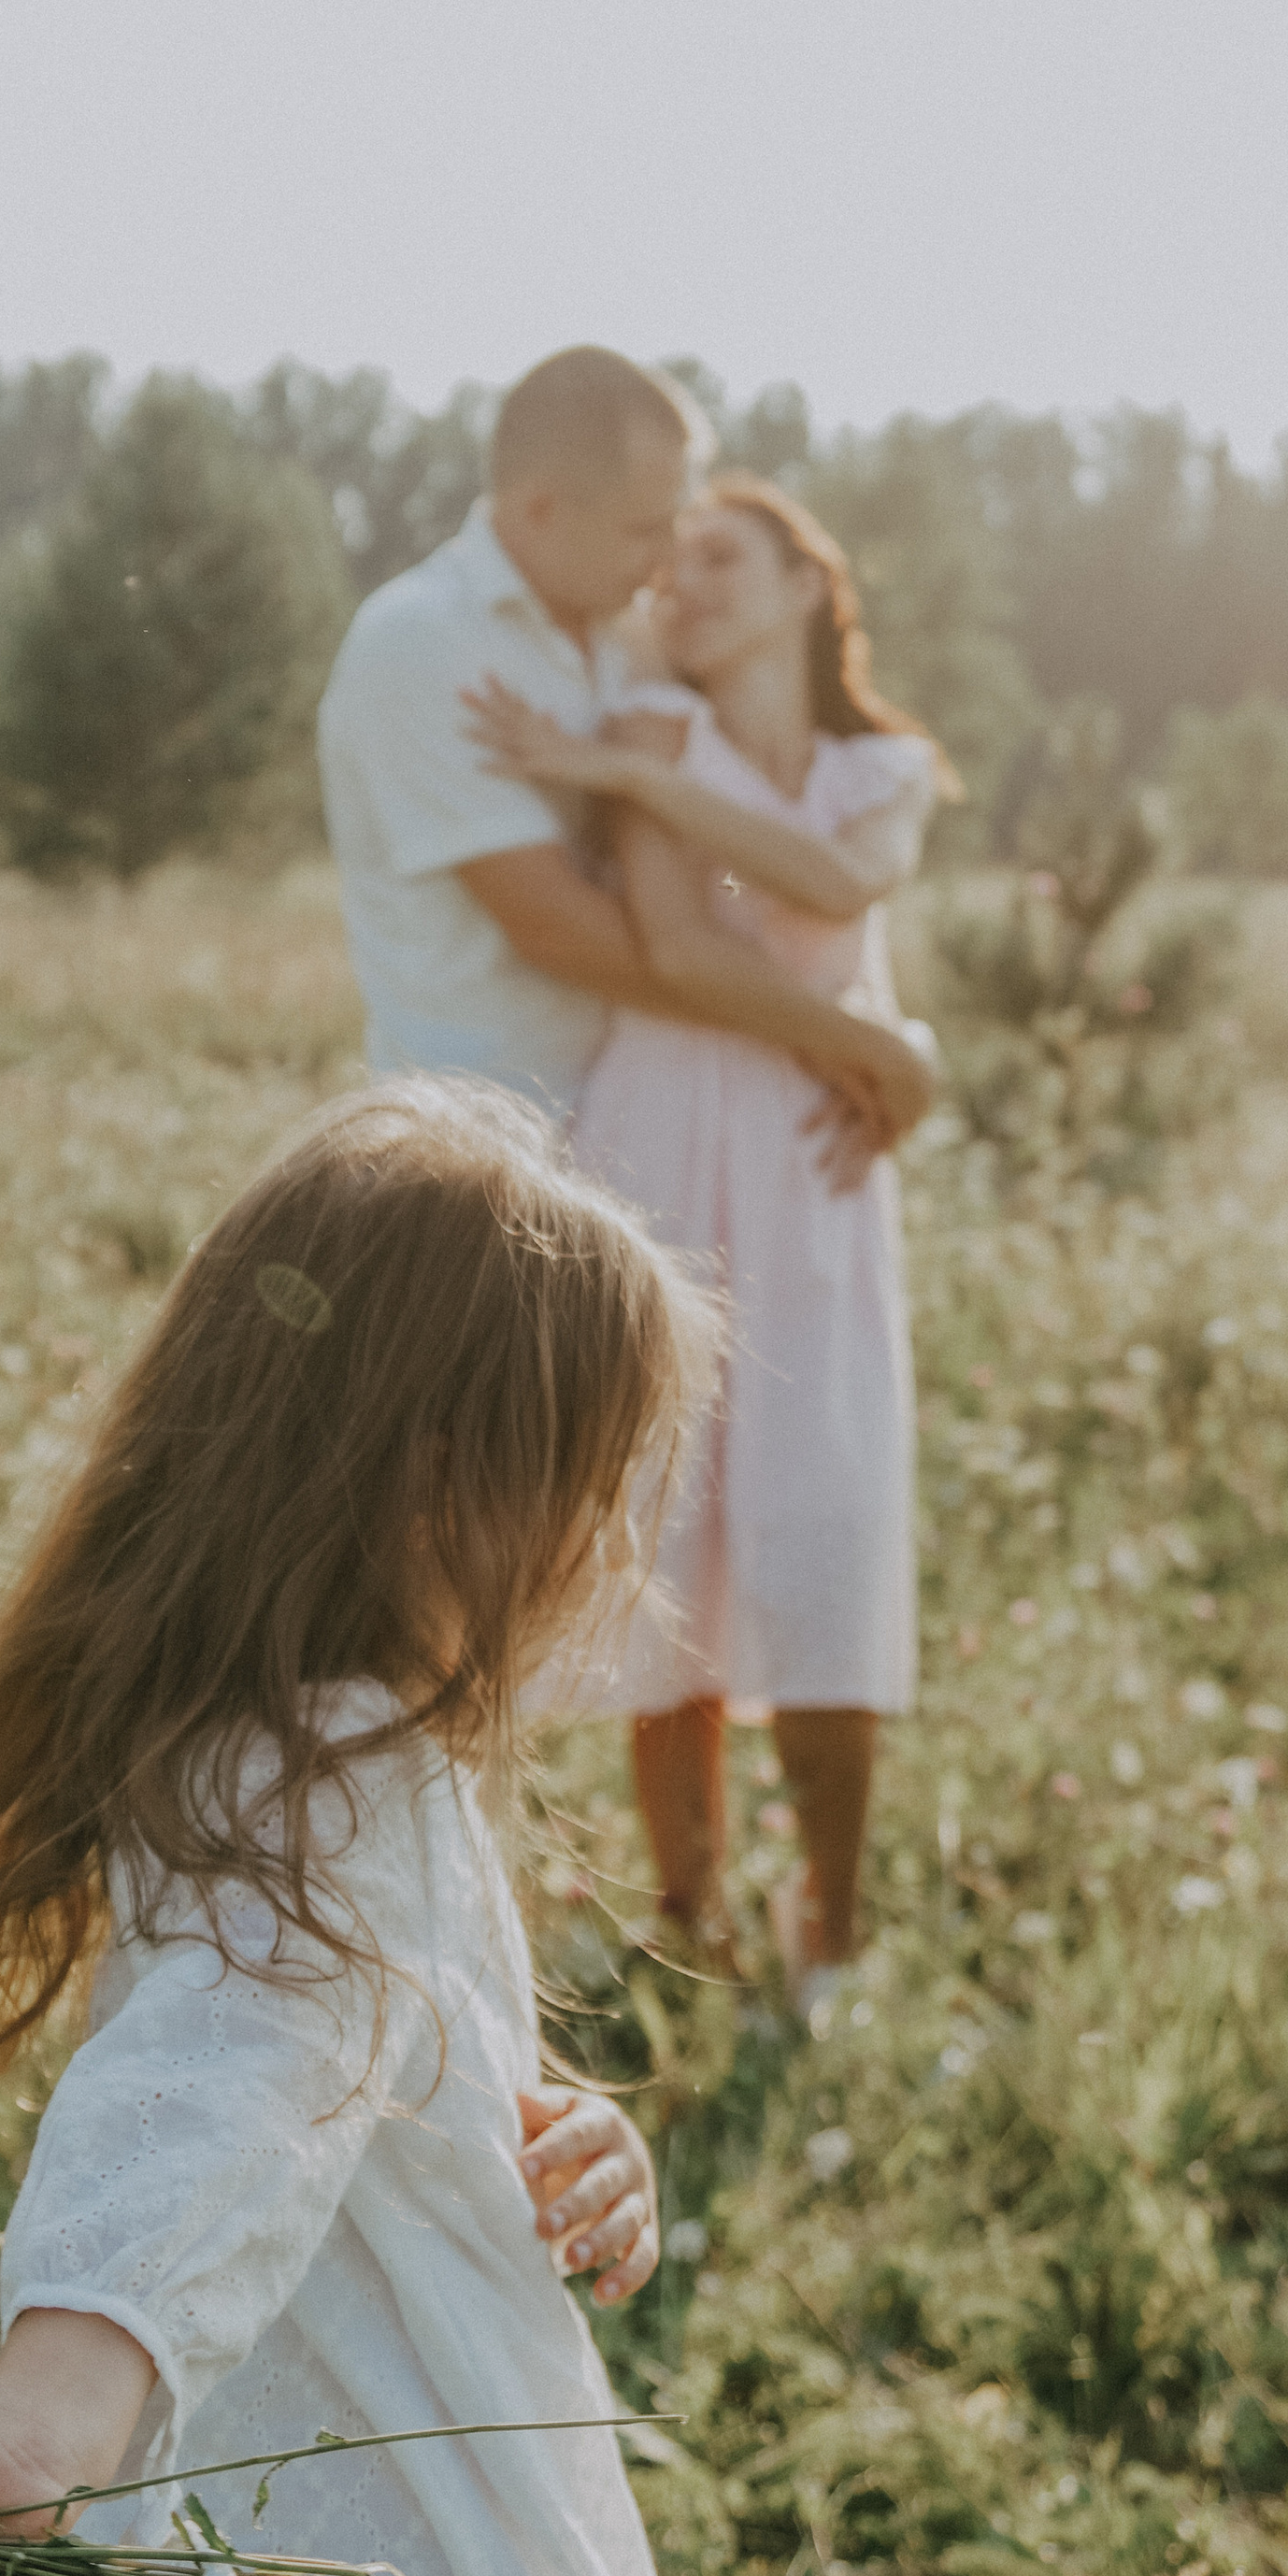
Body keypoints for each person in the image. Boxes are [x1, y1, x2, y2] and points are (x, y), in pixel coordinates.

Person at [0, 1080, 719, 2576]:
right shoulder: (324, 1779)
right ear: (439, 1483)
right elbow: (228, 2074)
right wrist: (52, 2411)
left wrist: (544, 2135)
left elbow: (353, 2067)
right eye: (589, 1478)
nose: (610, 1542)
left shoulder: (303, 1738)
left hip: (310, 2508)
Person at [463, 479, 954, 2029]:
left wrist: (888, 1068)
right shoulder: (656, 734)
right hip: (667, 1130)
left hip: (814, 1170)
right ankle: (692, 1930)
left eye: (723, 558)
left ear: (813, 583)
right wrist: (884, 1055)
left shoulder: (883, 765)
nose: (684, 585)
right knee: (659, 1530)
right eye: (665, 568)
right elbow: (675, 952)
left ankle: (833, 1948)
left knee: (822, 1523)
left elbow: (838, 882)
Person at [315, 343, 935, 1157]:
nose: (669, 558)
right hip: (482, 1144)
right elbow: (555, 927)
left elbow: (768, 828)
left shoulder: (637, 638)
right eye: (647, 528)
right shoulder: (425, 644)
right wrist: (842, 1043)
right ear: (540, 511)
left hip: (655, 1124)